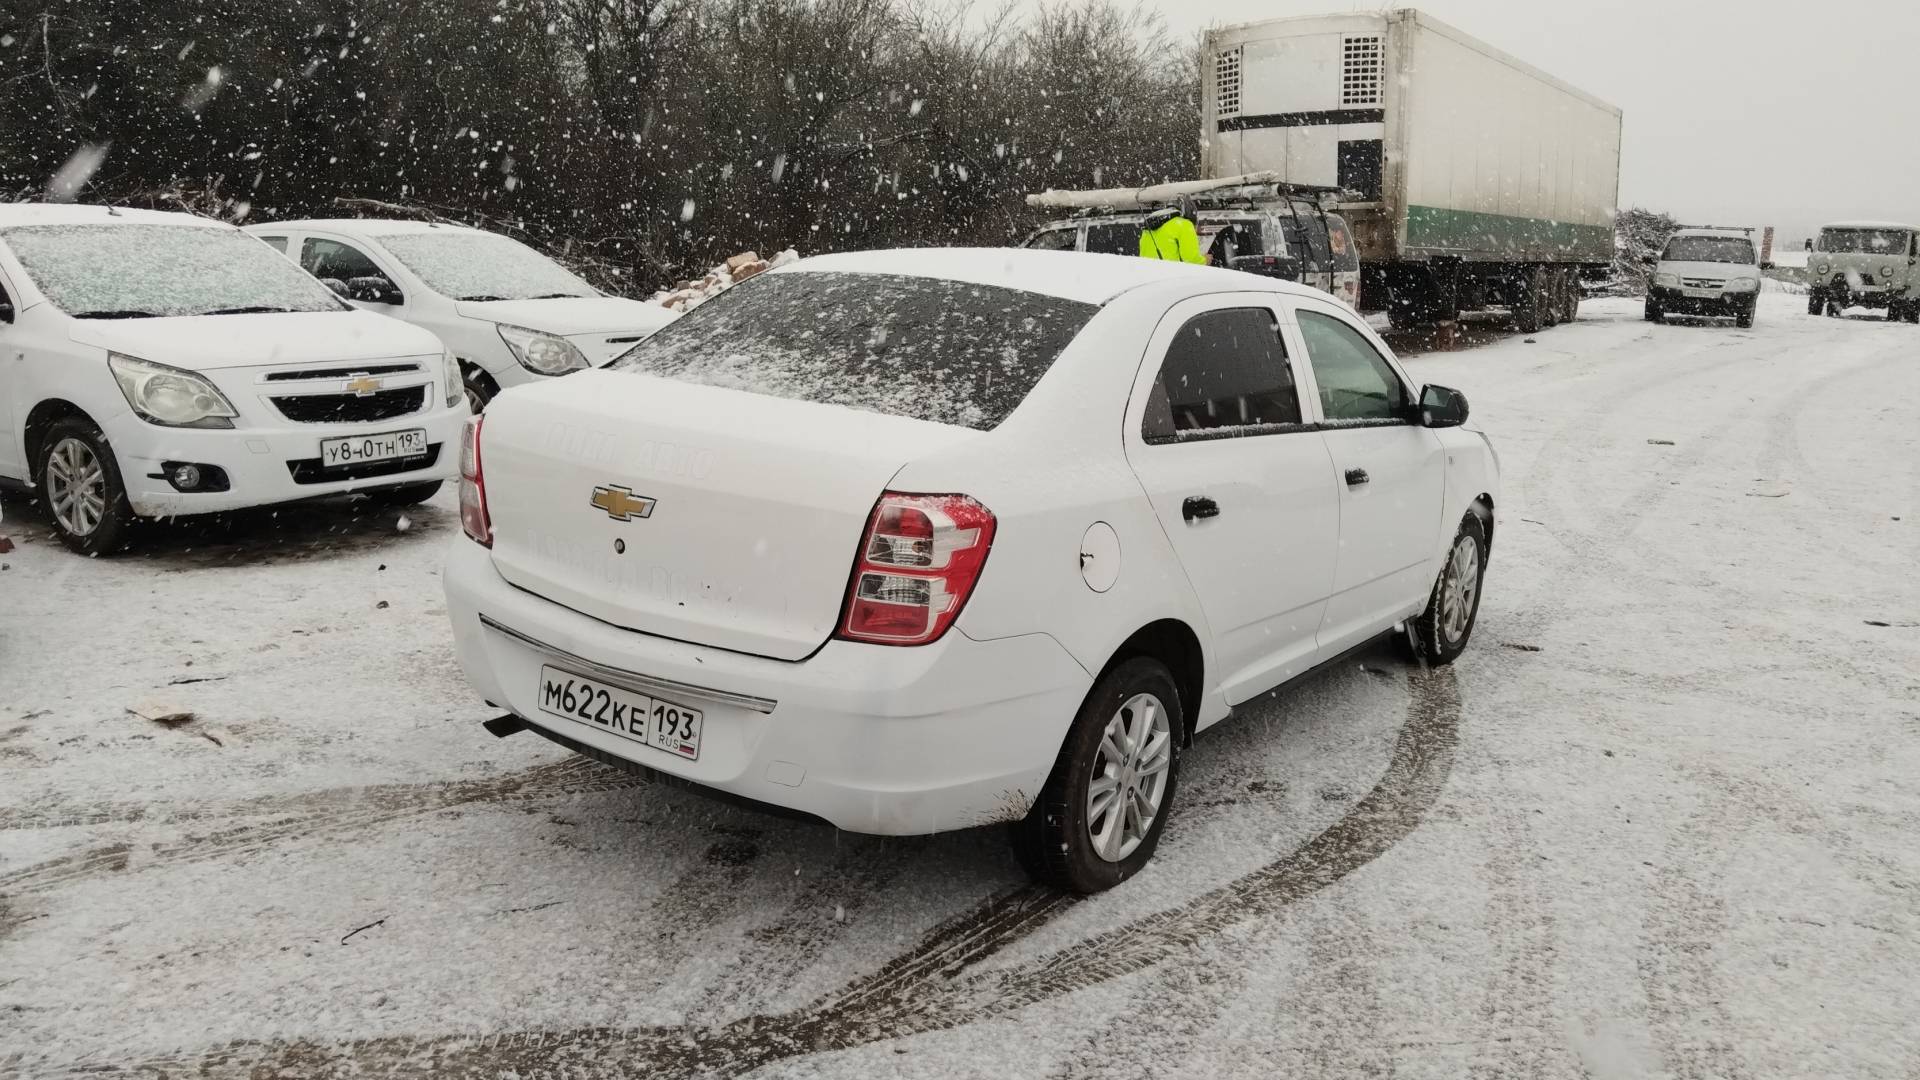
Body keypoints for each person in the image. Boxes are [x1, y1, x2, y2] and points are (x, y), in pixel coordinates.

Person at [1138, 197, 1206, 264]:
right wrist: (1205, 260)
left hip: (1146, 273)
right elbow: (1191, 260)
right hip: (1170, 273)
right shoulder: (1185, 224)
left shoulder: (1149, 227)